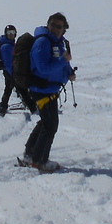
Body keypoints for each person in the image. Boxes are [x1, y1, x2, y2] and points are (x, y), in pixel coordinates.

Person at [20, 12, 76, 172]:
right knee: (50, 125)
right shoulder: (43, 42)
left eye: (59, 26)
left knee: (46, 122)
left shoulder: (57, 43)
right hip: (41, 90)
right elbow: (43, 68)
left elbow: (60, 64)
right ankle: (39, 160)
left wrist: (69, 72)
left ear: (64, 29)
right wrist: (63, 60)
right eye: (53, 25)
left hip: (49, 89)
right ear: (48, 24)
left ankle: (30, 155)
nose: (55, 28)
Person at [0, 24, 18, 116]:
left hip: (11, 70)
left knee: (9, 88)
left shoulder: (10, 44)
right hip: (9, 71)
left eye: (12, 32)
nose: (11, 34)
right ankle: (31, 105)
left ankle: (3, 106)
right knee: (14, 87)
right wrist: (13, 73)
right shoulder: (6, 46)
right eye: (9, 32)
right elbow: (8, 62)